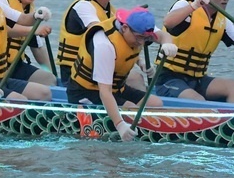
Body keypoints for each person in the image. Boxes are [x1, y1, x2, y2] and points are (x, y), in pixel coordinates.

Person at [66, 8, 171, 141]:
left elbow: (163, 35)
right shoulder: (104, 44)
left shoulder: (140, 25)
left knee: (155, 103)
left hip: (117, 88)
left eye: (146, 39)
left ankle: (157, 131)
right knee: (132, 110)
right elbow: (105, 92)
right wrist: (120, 125)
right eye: (139, 38)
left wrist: (167, 45)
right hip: (85, 92)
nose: (142, 43)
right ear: (125, 28)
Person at [56, 0, 119, 85]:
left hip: (96, 71)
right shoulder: (82, 6)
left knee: (135, 78)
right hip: (76, 73)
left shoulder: (112, 12)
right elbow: (96, 28)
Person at [0, 0, 56, 85]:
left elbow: (37, 47)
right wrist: (33, 30)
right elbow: (4, 29)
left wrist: (50, 72)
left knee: (49, 79)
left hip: (14, 66)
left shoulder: (30, 10)